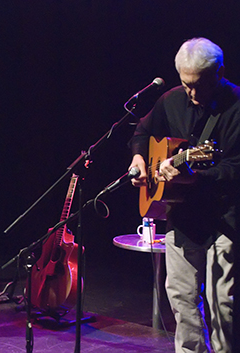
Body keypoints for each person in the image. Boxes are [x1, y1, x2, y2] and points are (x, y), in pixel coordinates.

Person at [129, 38, 239, 352]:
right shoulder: (171, 100)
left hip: (224, 217)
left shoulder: (236, 107)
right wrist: (139, 157)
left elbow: (235, 167)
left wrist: (196, 177)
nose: (192, 93)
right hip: (181, 214)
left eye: (199, 86)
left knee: (224, 308)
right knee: (181, 297)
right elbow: (142, 131)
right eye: (186, 84)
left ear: (219, 74)